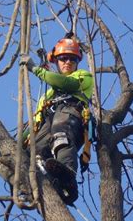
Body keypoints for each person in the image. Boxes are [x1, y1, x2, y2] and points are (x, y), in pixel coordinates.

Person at [20, 37, 93, 205]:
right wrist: (15, 147)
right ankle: (41, 183)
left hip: (70, 114)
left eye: (72, 59)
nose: (67, 62)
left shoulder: (84, 76)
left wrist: (37, 70)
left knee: (61, 132)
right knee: (34, 152)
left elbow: (67, 84)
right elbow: (34, 124)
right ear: (56, 62)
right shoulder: (48, 96)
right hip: (49, 120)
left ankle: (67, 175)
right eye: (63, 59)